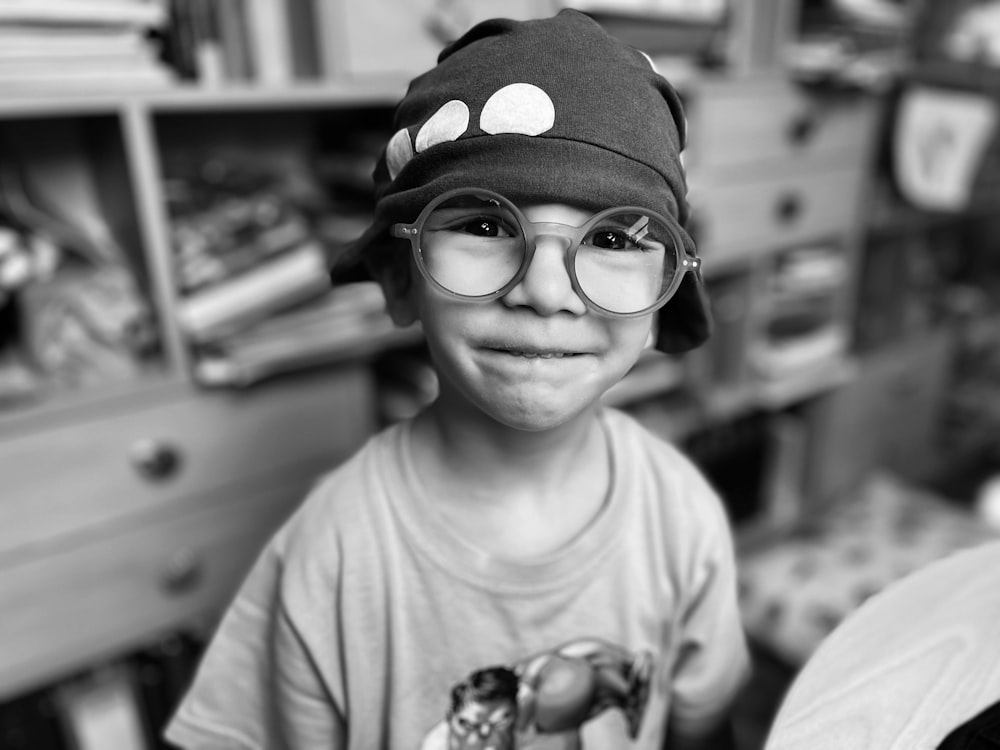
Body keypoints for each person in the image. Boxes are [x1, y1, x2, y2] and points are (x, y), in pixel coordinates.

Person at [165, 9, 750, 749]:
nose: (545, 289)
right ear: (400, 281)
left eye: (610, 238)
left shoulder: (680, 516)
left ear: (664, 298)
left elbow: (704, 732)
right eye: (483, 226)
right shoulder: (333, 557)